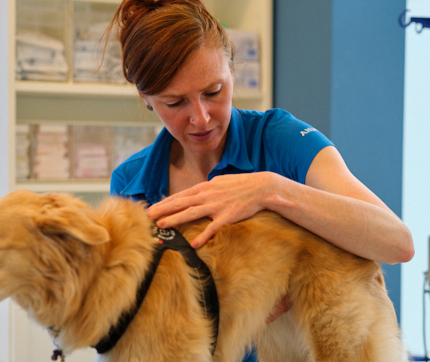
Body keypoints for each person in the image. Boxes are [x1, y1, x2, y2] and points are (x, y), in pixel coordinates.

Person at [105, 0, 414, 360]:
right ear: (146, 98)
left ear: (232, 70)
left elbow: (397, 242)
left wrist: (272, 190)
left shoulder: (280, 140)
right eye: (175, 103)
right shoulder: (131, 185)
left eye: (213, 92)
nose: (201, 118)